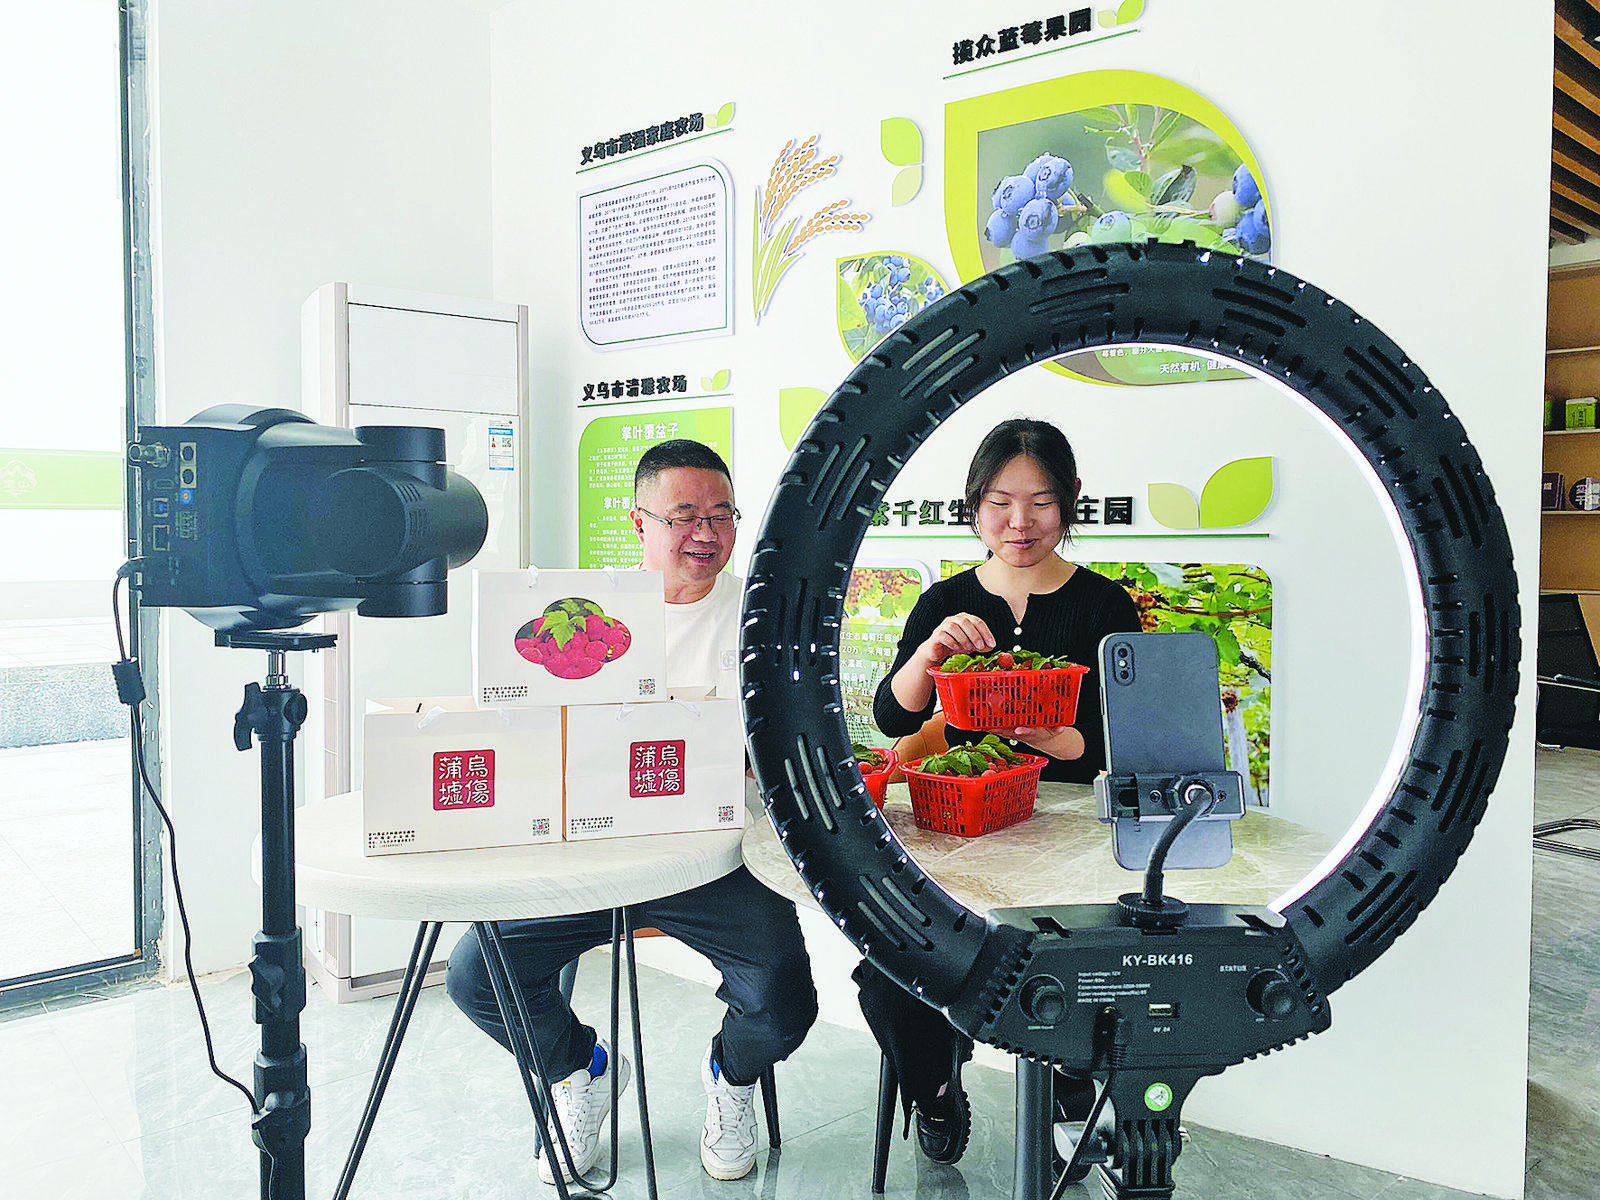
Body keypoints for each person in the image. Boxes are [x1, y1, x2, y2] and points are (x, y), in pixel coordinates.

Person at [446, 440, 818, 1186]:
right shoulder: (581, 617)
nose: (705, 533)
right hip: (591, 855)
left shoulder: (763, 616)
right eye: (684, 515)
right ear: (638, 521)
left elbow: (802, 736)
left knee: (783, 1001)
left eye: (722, 515)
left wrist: (762, 757)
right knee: (477, 975)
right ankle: (580, 1068)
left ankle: (731, 1076)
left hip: (718, 859)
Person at [860, 417, 1141, 1167]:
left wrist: (1052, 736)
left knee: (1079, 972)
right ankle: (936, 1092)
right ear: (974, 505)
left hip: (1066, 837)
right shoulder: (946, 602)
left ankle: (1071, 1090)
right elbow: (894, 718)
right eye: (999, 503)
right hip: (958, 832)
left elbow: (1122, 743)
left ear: (1071, 500)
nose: (1020, 523)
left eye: (1041, 503)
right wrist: (930, 652)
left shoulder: (1106, 606)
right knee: (890, 979)